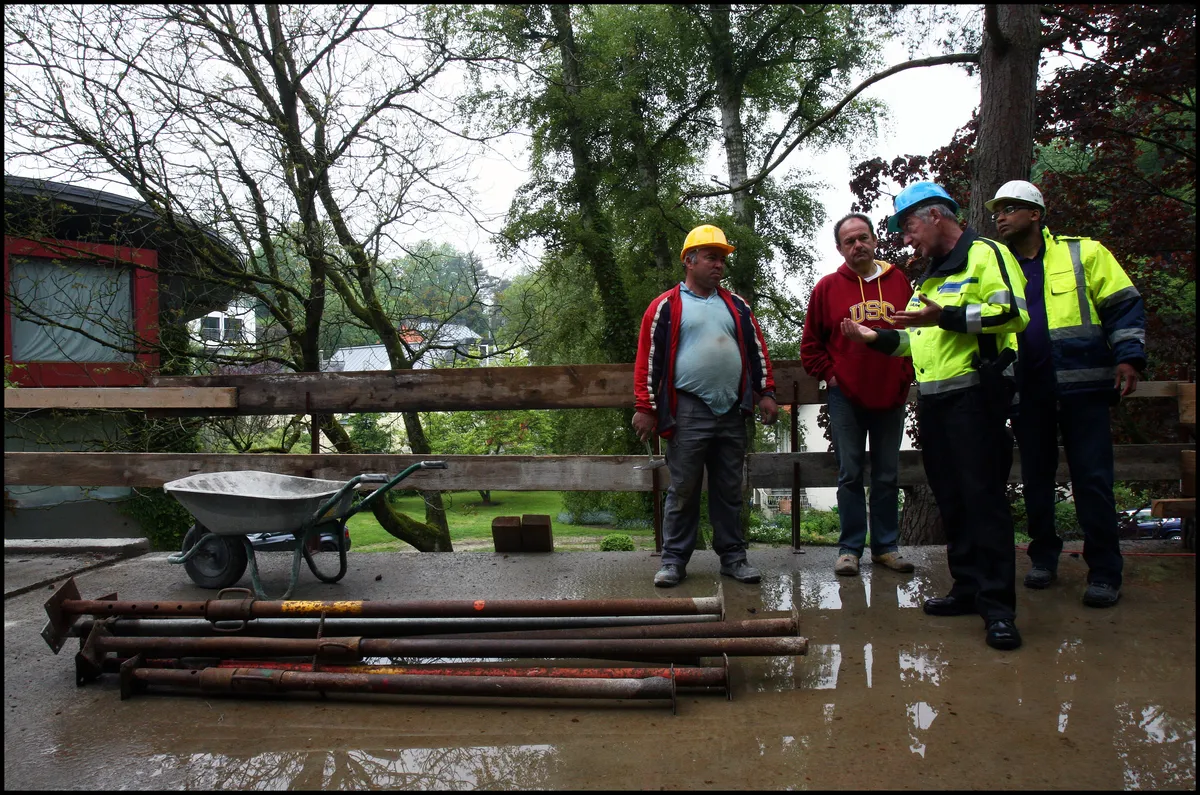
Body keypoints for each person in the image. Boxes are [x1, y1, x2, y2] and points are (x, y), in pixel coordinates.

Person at [840, 181, 1029, 651]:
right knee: (951, 498)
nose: (906, 238)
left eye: (908, 226)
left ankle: (999, 610)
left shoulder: (986, 255)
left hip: (975, 397)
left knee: (984, 500)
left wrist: (942, 318)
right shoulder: (928, 279)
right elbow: (911, 340)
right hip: (935, 403)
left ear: (935, 216)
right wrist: (873, 338)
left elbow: (1013, 314)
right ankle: (967, 588)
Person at [986, 180, 1146, 608]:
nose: (999, 216)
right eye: (997, 209)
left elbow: (1123, 304)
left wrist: (1129, 356)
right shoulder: (999, 267)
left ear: (1035, 214)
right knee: (1036, 480)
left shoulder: (1084, 253)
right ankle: (1043, 559)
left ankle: (1105, 572)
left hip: (1084, 387)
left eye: (1009, 208)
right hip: (1027, 390)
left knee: (1093, 481)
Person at [632, 223, 779, 588]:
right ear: (689, 260)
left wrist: (767, 393)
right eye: (712, 258)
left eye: (722, 259)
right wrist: (646, 407)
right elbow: (647, 360)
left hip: (732, 410)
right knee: (682, 488)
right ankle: (674, 562)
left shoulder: (738, 306)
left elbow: (757, 351)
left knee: (730, 488)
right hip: (688, 411)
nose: (719, 266)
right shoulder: (665, 306)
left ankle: (733, 558)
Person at [800, 213, 916, 577]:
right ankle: (849, 548)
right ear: (840, 248)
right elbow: (810, 347)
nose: (857, 245)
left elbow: (919, 336)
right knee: (849, 473)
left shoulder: (899, 282)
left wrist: (904, 375)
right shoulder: (827, 288)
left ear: (874, 240)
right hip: (845, 397)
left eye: (862, 237)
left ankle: (886, 547)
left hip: (891, 394)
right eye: (849, 241)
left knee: (886, 473)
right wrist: (832, 376)